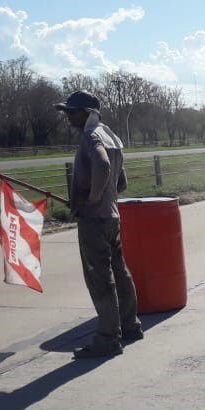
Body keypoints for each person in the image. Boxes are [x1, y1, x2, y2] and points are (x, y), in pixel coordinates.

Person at [55, 90, 142, 359]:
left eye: (72, 112)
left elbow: (103, 167)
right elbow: (122, 182)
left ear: (88, 113)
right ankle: (130, 326)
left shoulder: (91, 137)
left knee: (100, 279)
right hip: (112, 216)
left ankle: (107, 338)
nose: (68, 117)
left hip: (94, 219)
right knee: (119, 271)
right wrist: (105, 196)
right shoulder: (110, 136)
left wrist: (92, 198)